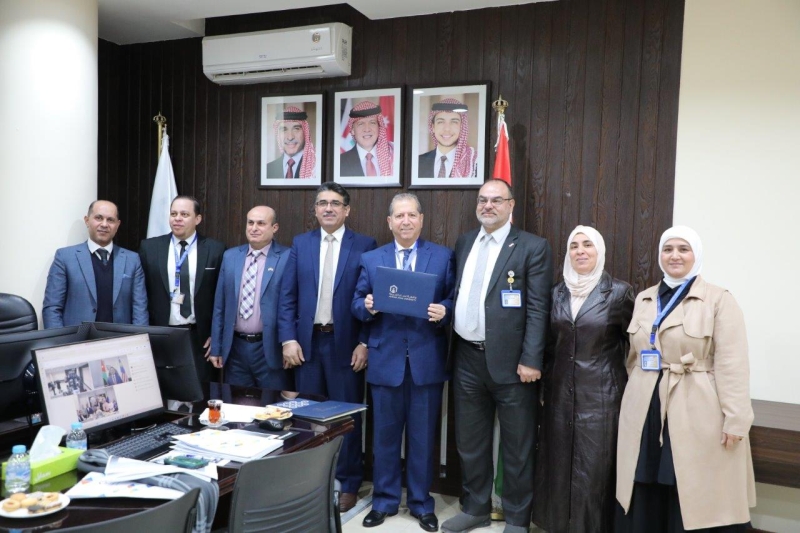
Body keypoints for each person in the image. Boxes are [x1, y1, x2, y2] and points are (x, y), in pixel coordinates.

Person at [616, 226, 755, 533]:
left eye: (683, 249)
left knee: (691, 484)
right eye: (668, 249)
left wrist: (736, 419)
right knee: (645, 480)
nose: (674, 256)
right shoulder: (645, 299)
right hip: (647, 406)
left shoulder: (718, 299)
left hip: (695, 407)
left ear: (696, 255)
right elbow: (633, 357)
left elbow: (733, 364)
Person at [442, 179, 553, 533]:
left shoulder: (532, 247)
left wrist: (531, 358)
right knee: (470, 442)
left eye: (496, 200)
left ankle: (517, 518)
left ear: (511, 205)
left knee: (517, 445)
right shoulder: (464, 242)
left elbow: (539, 308)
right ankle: (475, 507)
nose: (487, 205)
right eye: (482, 199)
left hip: (513, 363)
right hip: (466, 358)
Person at [352, 193, 455, 531]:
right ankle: (384, 501)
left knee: (423, 439)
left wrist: (444, 310)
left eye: (412, 215)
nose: (406, 221)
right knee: (384, 438)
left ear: (421, 220)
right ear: (389, 222)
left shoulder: (442, 256)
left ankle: (422, 504)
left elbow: (453, 299)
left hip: (426, 360)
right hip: (386, 360)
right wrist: (366, 306)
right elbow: (356, 303)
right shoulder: (372, 259)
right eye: (399, 216)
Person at [278, 182, 377, 512]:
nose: (328, 208)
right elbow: (288, 296)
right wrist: (288, 339)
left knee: (346, 418)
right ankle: (311, 483)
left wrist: (364, 342)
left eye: (335, 203)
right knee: (307, 418)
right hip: (306, 345)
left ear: (347, 210)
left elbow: (370, 299)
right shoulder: (301, 243)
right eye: (322, 203)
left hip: (345, 345)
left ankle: (348, 483)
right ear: (315, 210)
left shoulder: (364, 245)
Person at [532, 225, 634, 533]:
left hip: (601, 397)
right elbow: (548, 345)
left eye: (587, 245)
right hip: (559, 395)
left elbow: (635, 344)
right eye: (574, 246)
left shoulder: (619, 293)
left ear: (599, 251)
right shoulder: (555, 292)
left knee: (594, 470)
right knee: (558, 465)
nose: (580, 251)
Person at [138, 195, 226, 384]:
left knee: (200, 392)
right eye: (173, 214)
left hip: (200, 338)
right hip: (161, 335)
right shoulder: (149, 247)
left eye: (184, 214)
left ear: (198, 219)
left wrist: (217, 336)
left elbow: (222, 297)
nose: (177, 218)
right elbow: (141, 294)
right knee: (162, 391)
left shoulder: (215, 249)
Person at [209, 206, 291, 390]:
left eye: (261, 223)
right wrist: (216, 346)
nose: (254, 228)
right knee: (236, 403)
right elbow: (220, 306)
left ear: (274, 228)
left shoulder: (287, 257)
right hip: (235, 348)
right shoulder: (230, 256)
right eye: (250, 223)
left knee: (272, 404)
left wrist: (289, 343)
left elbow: (292, 306)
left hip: (270, 349)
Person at [43, 200, 148, 328]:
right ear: (87, 220)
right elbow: (52, 308)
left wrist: (139, 339)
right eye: (99, 218)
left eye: (110, 220)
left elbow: (140, 309)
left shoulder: (132, 260)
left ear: (117, 225)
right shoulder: (65, 257)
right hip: (77, 339)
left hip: (120, 339)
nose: (104, 224)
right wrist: (60, 340)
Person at [418, 98, 478, 178]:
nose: (447, 129)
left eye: (454, 122)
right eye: (440, 122)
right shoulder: (418, 162)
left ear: (462, 127)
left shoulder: (473, 162)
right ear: (433, 127)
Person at [340, 100, 394, 176]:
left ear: (379, 127)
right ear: (352, 130)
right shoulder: (340, 162)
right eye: (361, 124)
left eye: (372, 123)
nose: (367, 129)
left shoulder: (393, 155)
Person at [265, 106, 317, 179]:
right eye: (284, 129)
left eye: (296, 129)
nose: (290, 137)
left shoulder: (316, 168)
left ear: (305, 132)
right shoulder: (268, 169)